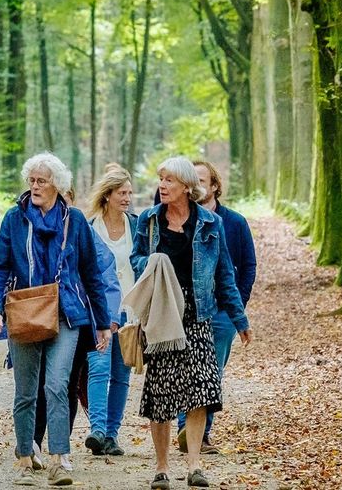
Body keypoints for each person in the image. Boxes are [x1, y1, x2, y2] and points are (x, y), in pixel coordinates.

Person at [0, 152, 118, 487]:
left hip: (67, 315)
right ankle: (25, 457)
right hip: (25, 312)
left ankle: (59, 459)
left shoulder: (74, 220)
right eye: (31, 180)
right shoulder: (15, 219)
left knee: (58, 385)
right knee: (26, 391)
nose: (34, 187)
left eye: (41, 181)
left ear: (58, 185)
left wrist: (102, 322)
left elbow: (91, 273)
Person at [132, 157, 250, 490]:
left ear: (186, 186)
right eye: (160, 179)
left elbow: (225, 272)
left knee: (201, 390)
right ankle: (161, 467)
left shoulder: (210, 223)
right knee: (161, 391)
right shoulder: (149, 220)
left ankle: (195, 464)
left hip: (199, 313)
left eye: (169, 180)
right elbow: (136, 259)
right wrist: (152, 261)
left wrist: (239, 319)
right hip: (162, 313)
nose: (162, 185)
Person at [178, 159, 256, 455]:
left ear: (214, 186)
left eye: (202, 180)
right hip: (189, 309)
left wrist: (238, 304)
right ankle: (185, 427)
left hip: (222, 311)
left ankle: (202, 434)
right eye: (192, 180)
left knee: (211, 372)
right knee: (186, 368)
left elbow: (247, 266)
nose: (197, 186)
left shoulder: (234, 222)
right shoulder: (179, 220)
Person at [82, 165, 139, 457]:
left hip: (131, 312)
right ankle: (98, 430)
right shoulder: (90, 229)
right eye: (122, 192)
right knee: (98, 369)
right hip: (100, 313)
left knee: (121, 374)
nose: (127, 197)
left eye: (129, 192)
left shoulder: (137, 226)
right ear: (108, 195)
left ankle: (112, 436)